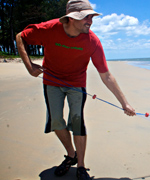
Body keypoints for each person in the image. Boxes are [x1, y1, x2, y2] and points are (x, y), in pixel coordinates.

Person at [15, 0, 136, 179]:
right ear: (71, 18)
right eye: (85, 17)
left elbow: (106, 75)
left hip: (76, 83)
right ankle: (71, 155)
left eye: (91, 17)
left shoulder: (92, 41)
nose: (90, 21)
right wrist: (29, 66)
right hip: (51, 80)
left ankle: (81, 165)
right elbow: (20, 37)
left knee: (77, 120)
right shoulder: (49, 29)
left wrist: (125, 103)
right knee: (56, 121)